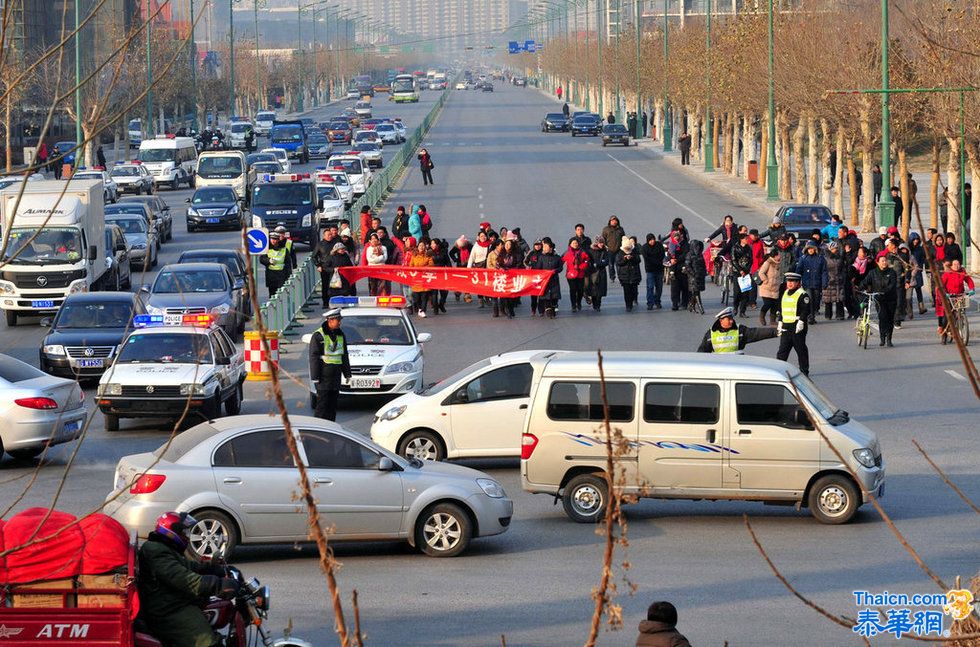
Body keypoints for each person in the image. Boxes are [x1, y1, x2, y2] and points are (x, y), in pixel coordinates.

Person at [137, 511, 239, 647]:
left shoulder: (163, 547)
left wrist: (214, 569)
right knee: (207, 642)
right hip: (167, 608)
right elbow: (183, 578)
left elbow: (187, 566)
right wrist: (218, 585)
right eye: (183, 532)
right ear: (172, 531)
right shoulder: (155, 551)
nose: (186, 535)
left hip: (172, 599)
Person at [309, 308, 351, 420]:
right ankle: (319, 429)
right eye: (338, 320)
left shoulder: (341, 335)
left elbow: (344, 355)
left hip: (336, 376)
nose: (340, 322)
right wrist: (315, 377)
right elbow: (314, 357)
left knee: (332, 406)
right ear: (330, 320)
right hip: (323, 376)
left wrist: (347, 373)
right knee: (322, 405)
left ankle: (332, 428)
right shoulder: (318, 335)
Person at [859, 251, 899, 347]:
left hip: (891, 298)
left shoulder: (892, 272)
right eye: (882, 261)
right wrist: (859, 288)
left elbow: (892, 285)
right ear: (877, 262)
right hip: (879, 299)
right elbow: (865, 282)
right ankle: (882, 338)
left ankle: (889, 339)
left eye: (885, 261)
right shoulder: (873, 272)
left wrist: (884, 291)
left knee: (890, 319)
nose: (884, 262)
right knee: (882, 318)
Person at [697, 306, 778, 353]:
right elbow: (701, 353)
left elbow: (757, 333)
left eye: (731, 318)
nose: (732, 321)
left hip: (737, 366)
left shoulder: (740, 331)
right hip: (718, 368)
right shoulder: (710, 334)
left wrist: (775, 332)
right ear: (721, 320)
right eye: (728, 319)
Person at [776, 272, 811, 375]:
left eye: (793, 281)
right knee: (782, 350)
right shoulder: (785, 293)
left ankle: (804, 371)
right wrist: (780, 321)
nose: (790, 283)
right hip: (786, 326)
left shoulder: (802, 294)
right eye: (788, 281)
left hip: (797, 326)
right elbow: (782, 309)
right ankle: (778, 370)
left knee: (800, 349)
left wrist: (801, 321)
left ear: (798, 283)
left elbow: (806, 310)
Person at [936, 259, 975, 337]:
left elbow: (969, 280)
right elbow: (941, 285)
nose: (957, 266)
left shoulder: (962, 272)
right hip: (949, 296)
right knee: (947, 315)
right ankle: (944, 332)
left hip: (960, 295)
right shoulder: (947, 273)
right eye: (954, 264)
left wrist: (972, 289)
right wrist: (945, 293)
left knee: (961, 311)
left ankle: (960, 325)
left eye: (958, 264)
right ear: (951, 266)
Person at [796, 240, 828, 324]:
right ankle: (810, 317)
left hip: (817, 283)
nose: (810, 250)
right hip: (807, 283)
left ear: (815, 249)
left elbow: (824, 271)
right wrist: (797, 282)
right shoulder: (803, 259)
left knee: (816, 301)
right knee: (809, 300)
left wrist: (825, 282)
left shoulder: (820, 258)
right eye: (809, 249)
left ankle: (813, 314)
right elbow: (799, 270)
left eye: (812, 249)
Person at [532, 237, 563, 318]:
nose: (544, 248)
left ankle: (553, 307)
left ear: (551, 248)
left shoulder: (557, 257)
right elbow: (538, 268)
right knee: (545, 296)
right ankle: (547, 309)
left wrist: (555, 271)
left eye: (546, 246)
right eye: (544, 246)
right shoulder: (542, 257)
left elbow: (560, 268)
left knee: (554, 296)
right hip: (544, 280)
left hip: (554, 280)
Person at [260, 232, 293, 298]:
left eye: (275, 239)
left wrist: (289, 276)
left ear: (278, 240)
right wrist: (268, 261)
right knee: (272, 296)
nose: (273, 241)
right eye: (272, 239)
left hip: (282, 276)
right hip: (271, 276)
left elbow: (288, 264)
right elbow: (262, 259)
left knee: (281, 295)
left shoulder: (284, 249)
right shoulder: (267, 249)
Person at [562, 237, 590, 312]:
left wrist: (581, 267)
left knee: (580, 290)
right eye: (573, 243)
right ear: (570, 244)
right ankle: (573, 305)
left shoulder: (583, 252)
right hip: (570, 275)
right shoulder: (567, 253)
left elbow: (587, 260)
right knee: (573, 290)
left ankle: (579, 302)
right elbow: (560, 261)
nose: (575, 244)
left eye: (576, 243)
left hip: (580, 274)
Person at [312, 226, 338, 306]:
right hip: (325, 268)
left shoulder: (335, 243)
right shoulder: (320, 244)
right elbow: (314, 256)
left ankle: (335, 301)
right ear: (324, 236)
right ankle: (325, 302)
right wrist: (318, 265)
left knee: (335, 285)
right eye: (328, 235)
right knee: (325, 285)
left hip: (335, 267)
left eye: (330, 234)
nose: (330, 236)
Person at [731, 234, 754, 317]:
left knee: (745, 292)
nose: (747, 240)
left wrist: (746, 270)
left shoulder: (749, 248)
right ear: (741, 239)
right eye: (745, 238)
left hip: (746, 272)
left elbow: (751, 260)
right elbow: (733, 260)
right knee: (737, 292)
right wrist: (740, 270)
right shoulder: (735, 248)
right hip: (737, 272)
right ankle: (735, 307)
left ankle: (742, 311)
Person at [757, 248, 783, 325]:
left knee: (775, 305)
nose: (780, 256)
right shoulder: (768, 262)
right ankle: (762, 316)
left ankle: (772, 321)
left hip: (775, 288)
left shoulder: (778, 263)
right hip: (766, 288)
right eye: (778, 254)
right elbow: (761, 273)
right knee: (767, 304)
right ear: (775, 256)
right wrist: (765, 280)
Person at [409, 240, 434, 317]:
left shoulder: (428, 256)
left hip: (424, 279)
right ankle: (420, 308)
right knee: (416, 297)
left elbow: (431, 265)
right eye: (420, 246)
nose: (421, 247)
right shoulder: (414, 256)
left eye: (423, 245)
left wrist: (423, 268)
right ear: (418, 247)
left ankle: (423, 310)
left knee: (424, 297)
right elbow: (411, 266)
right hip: (416, 279)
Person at [666, 228, 689, 310]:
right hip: (674, 268)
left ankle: (684, 303)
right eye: (675, 236)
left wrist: (677, 260)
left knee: (685, 287)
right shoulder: (671, 244)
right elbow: (669, 254)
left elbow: (685, 254)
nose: (677, 237)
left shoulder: (685, 244)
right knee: (674, 288)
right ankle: (675, 303)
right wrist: (671, 259)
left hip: (683, 267)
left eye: (679, 235)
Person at [822, 241, 846, 320]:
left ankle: (840, 315)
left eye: (836, 248)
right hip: (829, 280)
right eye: (834, 248)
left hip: (839, 280)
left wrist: (842, 276)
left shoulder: (839, 257)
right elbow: (823, 270)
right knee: (828, 299)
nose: (835, 249)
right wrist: (826, 279)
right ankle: (828, 315)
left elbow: (843, 268)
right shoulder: (825, 258)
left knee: (839, 299)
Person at [641, 233, 665, 309]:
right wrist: (656, 261)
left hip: (659, 269)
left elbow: (662, 255)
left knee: (659, 287)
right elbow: (646, 258)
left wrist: (658, 261)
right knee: (650, 287)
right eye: (651, 240)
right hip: (650, 270)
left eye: (653, 239)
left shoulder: (659, 245)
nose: (652, 241)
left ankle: (657, 301)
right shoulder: (644, 247)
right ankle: (650, 303)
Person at [617, 236, 642, 311]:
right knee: (627, 292)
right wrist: (625, 259)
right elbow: (619, 263)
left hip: (634, 274)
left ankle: (634, 300)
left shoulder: (634, 251)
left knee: (634, 291)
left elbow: (638, 260)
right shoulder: (620, 252)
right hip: (624, 276)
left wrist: (632, 258)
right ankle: (628, 305)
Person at [585, 236, 609, 311]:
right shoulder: (590, 251)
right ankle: (594, 303)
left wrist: (598, 263)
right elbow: (587, 261)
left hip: (601, 272)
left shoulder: (605, 251)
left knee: (600, 290)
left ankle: (598, 305)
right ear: (596, 243)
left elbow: (606, 262)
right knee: (593, 289)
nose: (601, 244)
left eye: (602, 243)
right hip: (592, 272)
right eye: (600, 242)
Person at [684, 239, 707, 309]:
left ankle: (691, 304)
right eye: (696, 246)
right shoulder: (689, 255)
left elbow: (703, 264)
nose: (697, 247)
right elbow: (687, 266)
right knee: (695, 292)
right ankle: (700, 307)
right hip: (692, 277)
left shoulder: (700, 254)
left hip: (700, 275)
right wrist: (693, 274)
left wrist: (704, 272)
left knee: (696, 292)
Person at [602, 216, 626, 280]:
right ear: (610, 221)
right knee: (610, 264)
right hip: (609, 250)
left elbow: (624, 238)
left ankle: (620, 276)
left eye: (615, 220)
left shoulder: (620, 229)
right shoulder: (606, 229)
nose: (614, 222)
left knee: (618, 264)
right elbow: (603, 239)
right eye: (612, 221)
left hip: (618, 250)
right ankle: (612, 277)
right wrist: (604, 247)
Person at [524, 239, 544, 314]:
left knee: (541, 293)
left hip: (542, 276)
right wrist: (528, 266)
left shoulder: (543, 252)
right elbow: (525, 261)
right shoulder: (531, 253)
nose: (537, 246)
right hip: (533, 276)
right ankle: (533, 309)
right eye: (536, 245)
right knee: (533, 294)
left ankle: (541, 310)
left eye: (539, 245)